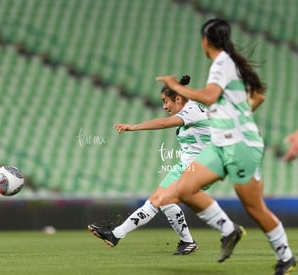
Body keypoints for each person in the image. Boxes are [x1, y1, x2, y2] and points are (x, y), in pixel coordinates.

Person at [155, 18, 296, 275]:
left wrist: (175, 86)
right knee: (185, 188)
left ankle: (286, 256)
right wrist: (237, 115)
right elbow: (259, 95)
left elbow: (209, 97)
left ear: (205, 41)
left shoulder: (222, 63)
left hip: (241, 145)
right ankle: (228, 230)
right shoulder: (231, 63)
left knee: (254, 208)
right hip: (221, 143)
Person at [88, 75, 210, 255]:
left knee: (159, 201)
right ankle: (187, 242)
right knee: (160, 201)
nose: (164, 106)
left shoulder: (192, 110)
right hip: (186, 166)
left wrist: (133, 127)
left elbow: (163, 123)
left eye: (165, 101)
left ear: (177, 98)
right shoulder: (191, 107)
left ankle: (116, 234)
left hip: (198, 168)